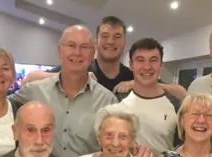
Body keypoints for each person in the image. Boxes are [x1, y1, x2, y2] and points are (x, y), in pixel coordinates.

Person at [8, 24, 154, 157]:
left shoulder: (107, 101)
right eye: (71, 45)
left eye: (84, 47)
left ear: (92, 54)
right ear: (60, 51)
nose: (77, 52)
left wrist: (139, 150)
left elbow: (122, 141)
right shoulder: (33, 91)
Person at [22, 16, 187, 102]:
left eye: (117, 37)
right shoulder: (81, 67)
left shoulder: (132, 74)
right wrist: (80, 77)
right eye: (105, 36)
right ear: (96, 42)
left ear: (123, 42)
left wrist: (138, 83)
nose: (110, 41)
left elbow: (181, 93)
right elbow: (29, 79)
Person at [101, 37, 179, 156]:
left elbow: (182, 151)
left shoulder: (175, 104)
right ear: (131, 65)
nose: (147, 66)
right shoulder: (118, 100)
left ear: (160, 65)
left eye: (153, 60)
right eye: (140, 60)